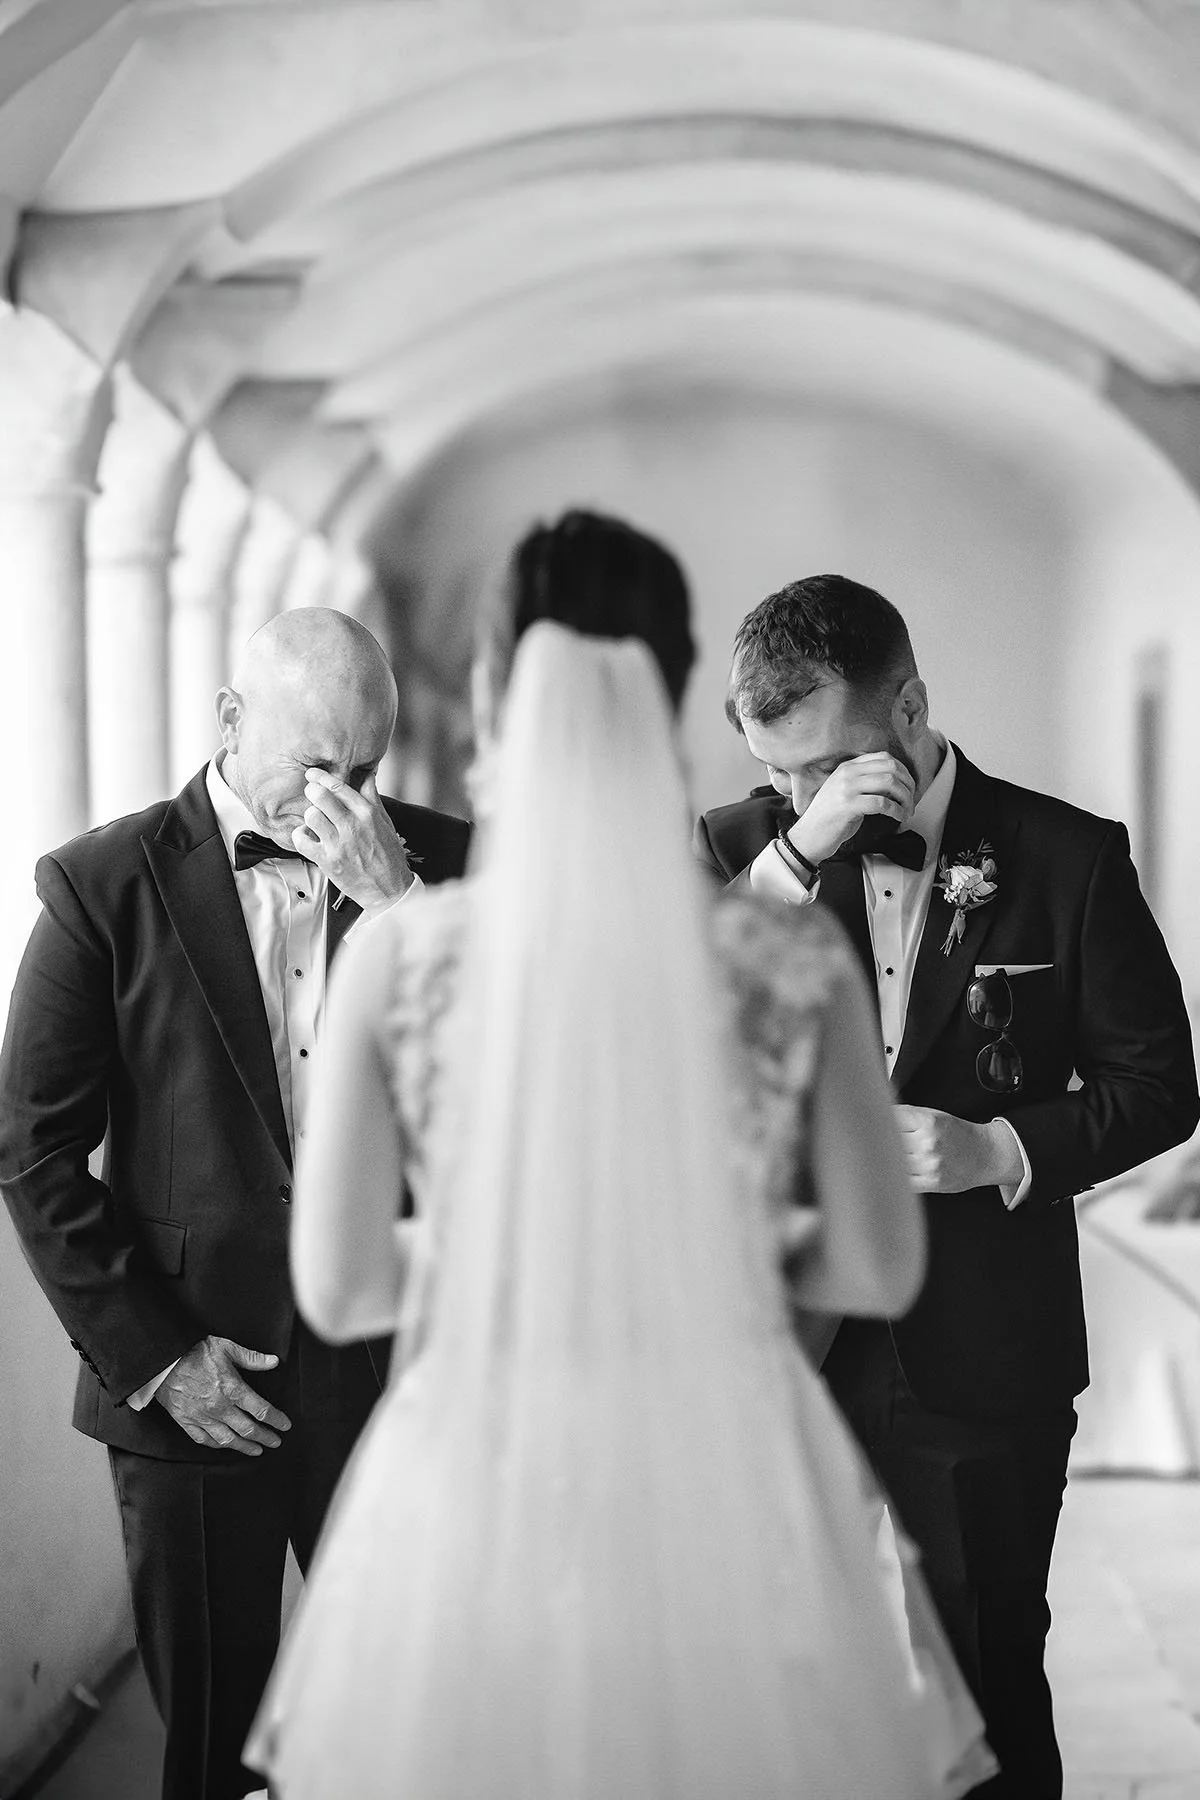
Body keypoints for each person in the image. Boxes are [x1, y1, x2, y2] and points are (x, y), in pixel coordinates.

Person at [246, 512, 994, 1799]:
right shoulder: (785, 959)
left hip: (482, 1463)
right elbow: (878, 1265)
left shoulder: (405, 957)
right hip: (723, 1462)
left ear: (490, 696)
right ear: (675, 689)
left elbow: (344, 1291)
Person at [694, 572, 1200, 1799]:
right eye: (780, 773)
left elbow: (1161, 1087)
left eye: (829, 767)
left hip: (980, 1351)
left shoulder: (1067, 858)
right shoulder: (726, 856)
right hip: (769, 1346)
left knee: (985, 1672)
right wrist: (792, 853)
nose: (803, 797)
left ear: (913, 707)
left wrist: (1003, 1150)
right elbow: (653, 1035)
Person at [0, 608, 471, 1800]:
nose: (345, 802)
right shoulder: (100, 883)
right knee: (216, 1738)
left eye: (368, 770)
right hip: (195, 1381)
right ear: (228, 721)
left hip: (399, 1370)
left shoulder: (449, 865)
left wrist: (403, 900)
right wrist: (161, 1362)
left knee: (418, 1722)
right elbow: (32, 1150)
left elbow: (524, 1084)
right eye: (319, 768)